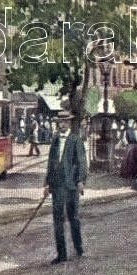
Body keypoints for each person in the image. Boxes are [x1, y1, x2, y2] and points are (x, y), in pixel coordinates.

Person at [43, 112, 87, 264]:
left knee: (73, 217)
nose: (61, 125)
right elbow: (51, 162)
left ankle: (79, 247)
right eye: (59, 122)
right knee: (57, 220)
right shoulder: (55, 140)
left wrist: (81, 181)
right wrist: (47, 183)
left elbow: (82, 161)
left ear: (69, 123)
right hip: (57, 185)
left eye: (64, 122)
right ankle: (61, 255)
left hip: (71, 185)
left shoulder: (76, 140)